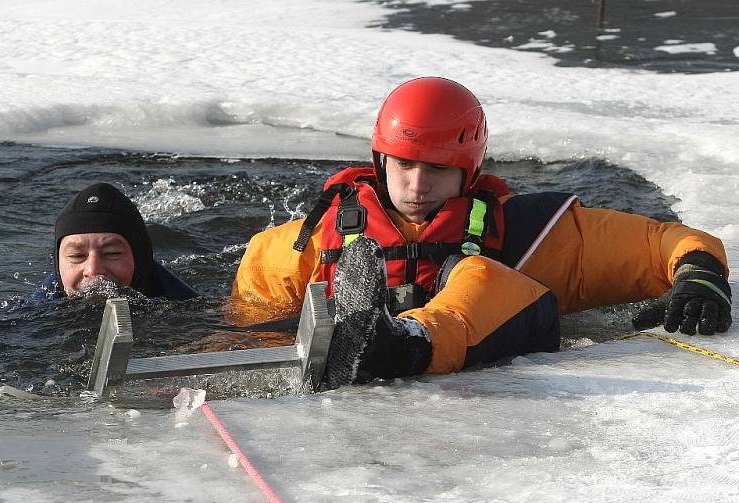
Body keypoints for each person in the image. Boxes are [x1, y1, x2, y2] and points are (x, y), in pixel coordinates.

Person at [231, 77, 731, 389]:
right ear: (380, 159)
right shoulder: (298, 247)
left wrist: (699, 277)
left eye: (438, 170)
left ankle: (402, 341)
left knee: (482, 275)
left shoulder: (533, 234)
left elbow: (666, 243)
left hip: (477, 319)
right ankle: (363, 337)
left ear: (468, 170)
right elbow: (233, 345)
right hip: (338, 361)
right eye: (404, 165)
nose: (417, 186)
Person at [35, 182, 199, 300]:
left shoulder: (186, 307)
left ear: (140, 260)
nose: (93, 270)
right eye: (76, 256)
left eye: (112, 253)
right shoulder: (39, 308)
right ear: (57, 264)